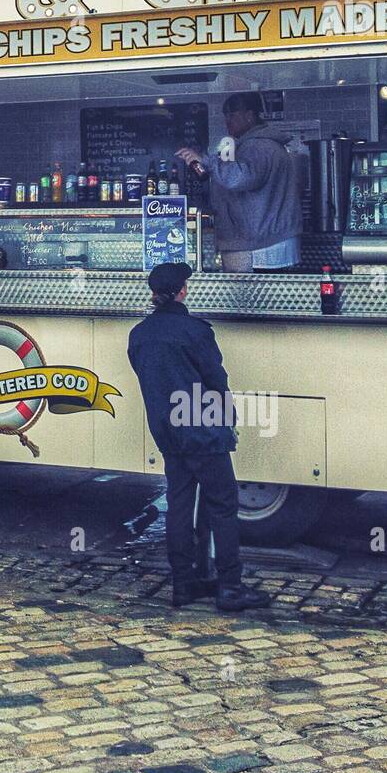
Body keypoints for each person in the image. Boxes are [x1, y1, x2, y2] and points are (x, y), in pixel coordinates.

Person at [127, 261, 268, 612]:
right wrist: (228, 419)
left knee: (178, 505)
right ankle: (230, 587)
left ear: (152, 294)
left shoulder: (138, 336)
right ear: (183, 291)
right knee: (222, 505)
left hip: (168, 431)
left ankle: (183, 585)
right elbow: (216, 382)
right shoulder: (196, 332)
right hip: (203, 429)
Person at [177, 93, 303, 271]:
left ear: (250, 115)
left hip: (261, 248)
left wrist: (207, 161)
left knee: (255, 298)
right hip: (267, 242)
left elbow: (241, 178)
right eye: (225, 116)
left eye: (232, 115)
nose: (227, 121)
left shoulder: (259, 146)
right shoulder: (260, 145)